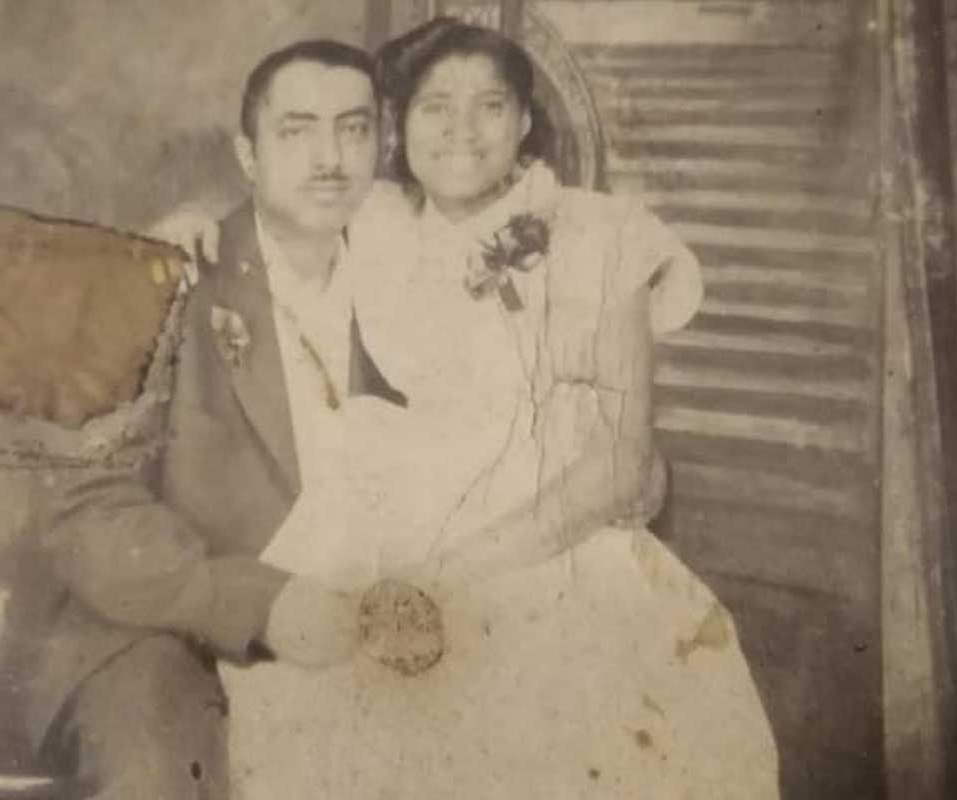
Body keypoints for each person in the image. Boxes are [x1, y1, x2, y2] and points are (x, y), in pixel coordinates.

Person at [219, 18, 780, 798]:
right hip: (399, 513)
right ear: (397, 129)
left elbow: (623, 464)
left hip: (554, 528)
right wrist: (186, 228)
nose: (460, 132)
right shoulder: (376, 219)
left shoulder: (600, 232)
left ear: (523, 121)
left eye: (489, 106)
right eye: (433, 108)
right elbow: (265, 213)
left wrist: (452, 573)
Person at [24, 39, 398, 799]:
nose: (329, 156)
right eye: (296, 130)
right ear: (248, 156)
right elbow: (87, 509)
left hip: (350, 632)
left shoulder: (412, 288)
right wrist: (255, 601)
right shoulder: (153, 271)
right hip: (160, 632)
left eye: (352, 129)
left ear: (383, 147)